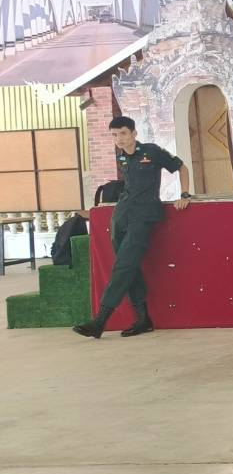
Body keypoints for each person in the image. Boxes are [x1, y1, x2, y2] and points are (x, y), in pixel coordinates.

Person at [72, 117, 192, 338]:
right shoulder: (121, 157)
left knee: (123, 266)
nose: (119, 139)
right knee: (129, 267)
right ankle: (143, 319)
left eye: (123, 133)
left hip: (144, 216)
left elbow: (181, 167)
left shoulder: (151, 151)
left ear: (134, 133)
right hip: (121, 217)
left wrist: (184, 194)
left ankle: (100, 320)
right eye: (114, 135)